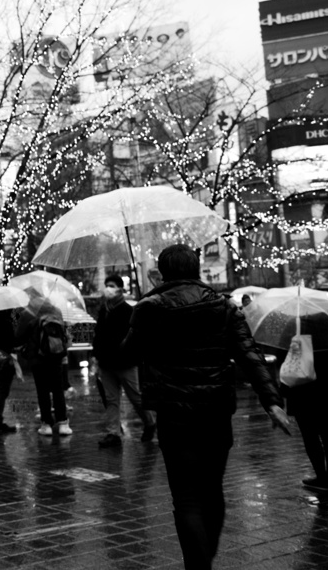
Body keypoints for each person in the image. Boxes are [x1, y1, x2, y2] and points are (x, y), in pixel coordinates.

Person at [121, 244, 290, 570]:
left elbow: (127, 354)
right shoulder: (223, 306)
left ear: (162, 272)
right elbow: (249, 355)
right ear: (196, 269)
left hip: (174, 413)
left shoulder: (150, 307)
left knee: (186, 497)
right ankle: (204, 557)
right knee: (212, 491)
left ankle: (198, 565)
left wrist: (138, 318)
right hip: (215, 411)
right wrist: (272, 402)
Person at [279, 313, 328, 491]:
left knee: (310, 435)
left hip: (302, 391)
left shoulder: (293, 327)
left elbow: (284, 361)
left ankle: (321, 476)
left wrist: (283, 392)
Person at [92, 274, 155, 448]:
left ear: (120, 289)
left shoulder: (128, 311)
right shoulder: (104, 310)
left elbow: (135, 337)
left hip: (125, 362)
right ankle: (113, 433)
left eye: (111, 285)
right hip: (106, 363)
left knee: (136, 397)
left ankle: (149, 423)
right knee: (111, 400)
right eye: (106, 285)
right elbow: (98, 335)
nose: (108, 289)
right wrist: (96, 355)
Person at [17, 296, 72, 436]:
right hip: (56, 356)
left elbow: (19, 336)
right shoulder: (56, 311)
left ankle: (46, 424)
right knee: (58, 390)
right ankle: (63, 423)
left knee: (43, 391)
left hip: (38, 359)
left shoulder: (28, 314)